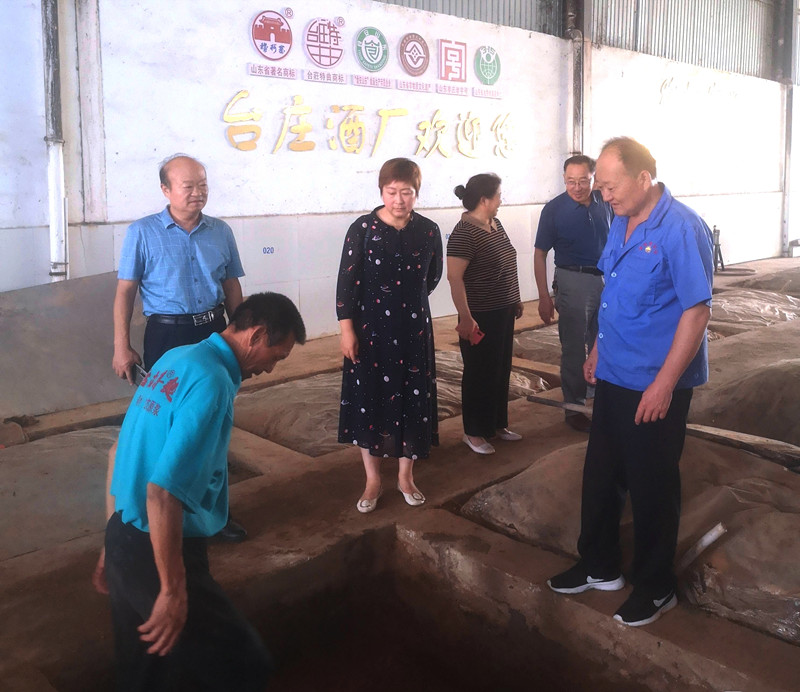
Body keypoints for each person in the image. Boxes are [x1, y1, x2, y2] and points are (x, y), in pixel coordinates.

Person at [92, 292, 306, 691]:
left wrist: (111, 541)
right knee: (243, 664)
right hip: (157, 550)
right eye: (276, 356)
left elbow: (117, 453)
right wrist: (173, 589)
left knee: (145, 673)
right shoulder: (212, 382)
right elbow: (162, 494)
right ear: (256, 335)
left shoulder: (175, 359)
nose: (270, 369)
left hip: (123, 537)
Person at [547, 137, 713, 628]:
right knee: (601, 473)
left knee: (652, 483)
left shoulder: (681, 228)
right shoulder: (621, 219)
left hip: (655, 382)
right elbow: (614, 291)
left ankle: (656, 587)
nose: (604, 195)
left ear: (643, 178)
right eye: (599, 187)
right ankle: (599, 565)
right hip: (615, 372)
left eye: (610, 186)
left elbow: (697, 312)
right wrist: (598, 350)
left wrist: (664, 385)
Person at [112, 153, 247, 542]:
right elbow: (125, 292)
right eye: (188, 186)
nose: (198, 193)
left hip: (213, 332)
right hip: (166, 335)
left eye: (203, 185)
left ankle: (211, 515)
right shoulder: (142, 232)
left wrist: (240, 333)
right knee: (165, 423)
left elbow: (231, 285)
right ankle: (157, 511)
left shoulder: (221, 231)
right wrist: (122, 346)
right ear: (165, 189)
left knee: (213, 424)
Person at [336, 158, 443, 513]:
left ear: (417, 193)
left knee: (413, 400)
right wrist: (347, 330)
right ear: (381, 191)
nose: (399, 199)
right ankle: (372, 480)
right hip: (370, 332)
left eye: (406, 192)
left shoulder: (428, 230)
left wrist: (405, 303)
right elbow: (346, 283)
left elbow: (432, 278)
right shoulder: (363, 229)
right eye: (391, 191)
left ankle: (405, 477)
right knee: (371, 401)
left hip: (414, 329)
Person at [534, 155, 612, 432]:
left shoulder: (605, 201)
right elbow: (540, 254)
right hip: (572, 280)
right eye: (570, 182)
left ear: (593, 179)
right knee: (575, 348)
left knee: (605, 341)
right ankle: (575, 408)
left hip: (605, 280)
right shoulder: (554, 209)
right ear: (563, 179)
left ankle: (600, 398)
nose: (577, 188)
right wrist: (544, 296)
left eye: (583, 181)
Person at [447, 173, 524, 455]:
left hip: (503, 310)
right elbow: (454, 278)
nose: (501, 200)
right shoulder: (464, 233)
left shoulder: (495, 224)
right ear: (484, 199)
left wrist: (515, 298)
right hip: (479, 314)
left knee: (500, 369)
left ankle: (497, 424)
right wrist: (466, 317)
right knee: (479, 373)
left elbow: (508, 261)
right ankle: (474, 432)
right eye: (499, 195)